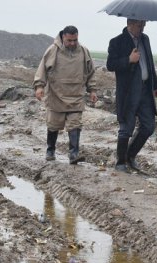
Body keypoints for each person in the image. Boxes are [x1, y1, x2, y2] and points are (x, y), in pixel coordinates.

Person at [33, 25, 97, 164]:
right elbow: (42, 70)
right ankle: (50, 150)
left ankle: (74, 154)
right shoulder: (52, 51)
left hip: (76, 96)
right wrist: (39, 86)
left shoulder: (84, 52)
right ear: (63, 37)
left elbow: (91, 72)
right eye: (69, 40)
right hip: (56, 95)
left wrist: (92, 90)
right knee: (53, 125)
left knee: (75, 125)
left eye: (75, 40)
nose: (72, 43)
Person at [106, 19, 157, 172]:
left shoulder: (145, 39)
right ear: (130, 23)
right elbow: (110, 65)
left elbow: (150, 64)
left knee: (148, 126)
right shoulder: (117, 42)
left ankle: (130, 155)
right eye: (139, 25)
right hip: (128, 92)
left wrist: (155, 85)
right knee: (126, 128)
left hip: (145, 91)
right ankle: (121, 162)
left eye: (144, 24)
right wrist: (129, 60)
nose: (142, 27)